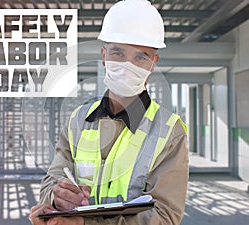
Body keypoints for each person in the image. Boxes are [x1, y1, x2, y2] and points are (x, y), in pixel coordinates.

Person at [29, 0, 189, 224]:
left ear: (153, 64)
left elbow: (165, 216)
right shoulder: (78, 120)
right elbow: (53, 179)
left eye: (140, 57)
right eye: (118, 53)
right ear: (104, 56)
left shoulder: (170, 131)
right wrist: (57, 199)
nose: (127, 65)